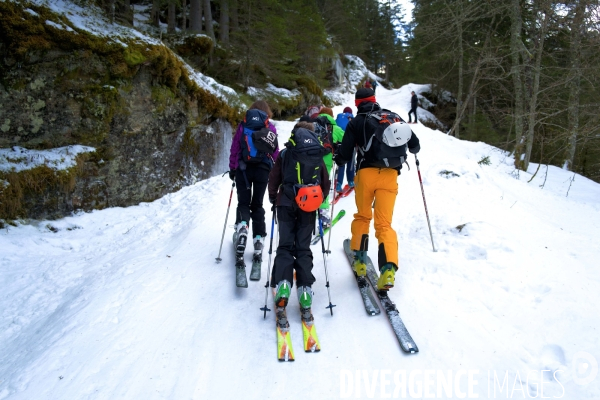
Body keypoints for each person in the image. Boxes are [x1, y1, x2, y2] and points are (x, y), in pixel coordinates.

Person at [334, 88, 420, 290]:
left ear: (357, 104)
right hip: (390, 176)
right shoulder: (393, 117)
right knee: (384, 225)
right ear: (375, 100)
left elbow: (345, 155)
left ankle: (361, 262)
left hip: (366, 175)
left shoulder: (357, 122)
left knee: (363, 217)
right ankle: (388, 270)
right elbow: (414, 144)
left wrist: (337, 157)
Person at [267, 122, 331, 309]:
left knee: (285, 246)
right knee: (303, 248)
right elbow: (325, 183)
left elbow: (274, 178)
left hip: (285, 203)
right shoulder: (316, 153)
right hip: (309, 205)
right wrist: (318, 200)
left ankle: (284, 285)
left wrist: (273, 198)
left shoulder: (286, 153)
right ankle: (304, 291)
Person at [228, 100, 279, 264]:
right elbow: (275, 152)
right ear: (267, 112)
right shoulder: (269, 127)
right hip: (262, 170)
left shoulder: (243, 125)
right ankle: (258, 241)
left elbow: (235, 148)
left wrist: (233, 168)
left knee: (243, 202)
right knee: (257, 204)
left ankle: (242, 227)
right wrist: (275, 173)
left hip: (243, 169)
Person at [316, 107, 345, 227]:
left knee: (310, 184)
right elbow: (346, 141)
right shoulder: (335, 128)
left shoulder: (311, 124)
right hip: (326, 162)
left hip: (309, 161)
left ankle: (307, 210)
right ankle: (322, 213)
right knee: (324, 185)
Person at [335, 106, 355, 193]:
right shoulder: (352, 118)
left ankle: (338, 184)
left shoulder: (338, 117)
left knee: (341, 164)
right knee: (351, 162)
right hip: (350, 143)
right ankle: (351, 182)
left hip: (340, 144)